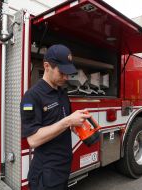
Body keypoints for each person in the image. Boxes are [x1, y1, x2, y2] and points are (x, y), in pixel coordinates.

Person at [20, 44, 91, 190]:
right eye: (62, 73)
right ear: (47, 66)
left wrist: (78, 123)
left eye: (68, 73)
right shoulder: (32, 96)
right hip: (45, 175)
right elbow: (33, 140)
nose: (65, 77)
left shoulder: (62, 93)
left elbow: (66, 124)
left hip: (62, 169)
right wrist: (67, 121)